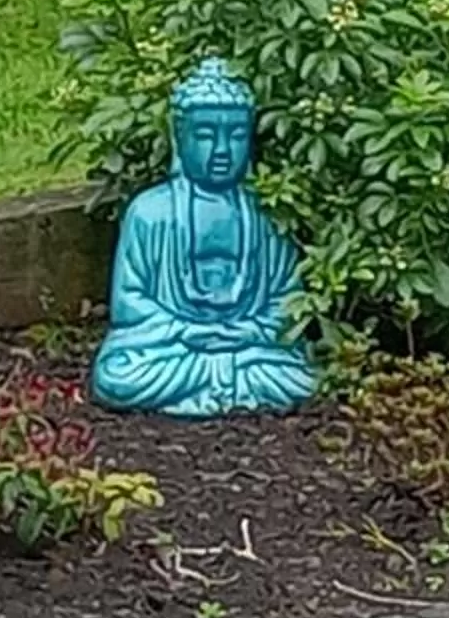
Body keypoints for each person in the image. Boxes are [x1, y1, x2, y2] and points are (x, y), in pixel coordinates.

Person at [90, 58, 316, 417]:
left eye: (237, 135)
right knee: (117, 376)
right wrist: (186, 331)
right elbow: (128, 302)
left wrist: (246, 332)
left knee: (301, 378)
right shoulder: (150, 212)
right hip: (174, 346)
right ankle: (228, 385)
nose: (223, 151)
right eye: (207, 135)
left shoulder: (268, 211)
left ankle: (210, 385)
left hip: (249, 346)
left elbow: (288, 302)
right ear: (180, 138)